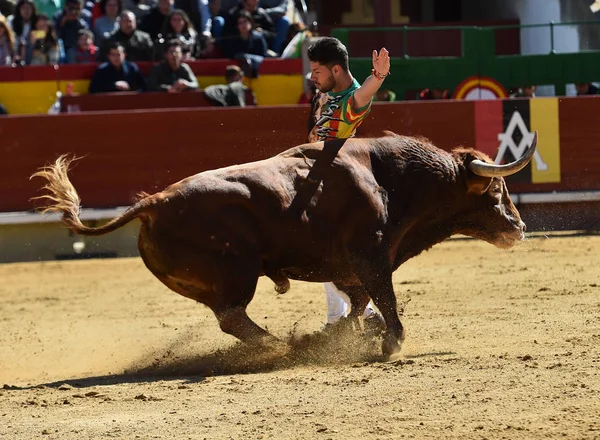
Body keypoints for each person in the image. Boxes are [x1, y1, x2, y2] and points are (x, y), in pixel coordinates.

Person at [306, 36, 390, 332]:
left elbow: (363, 93)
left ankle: (344, 319)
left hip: (336, 186)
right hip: (317, 177)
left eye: (317, 71)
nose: (312, 77)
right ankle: (359, 316)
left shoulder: (351, 99)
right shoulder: (321, 91)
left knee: (323, 250)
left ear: (337, 70)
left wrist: (378, 76)